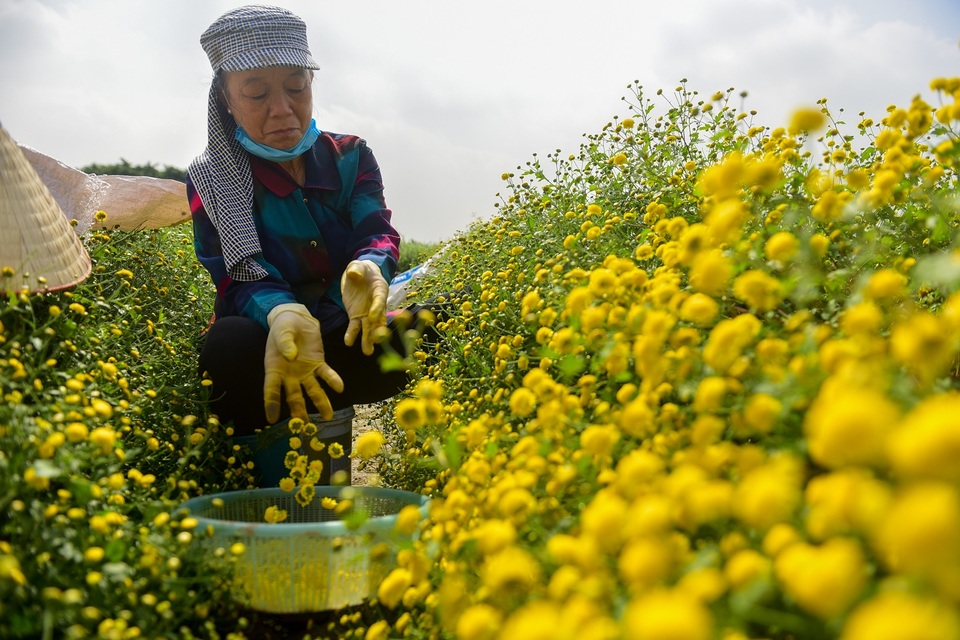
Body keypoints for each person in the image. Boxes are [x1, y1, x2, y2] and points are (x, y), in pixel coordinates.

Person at [187, 5, 434, 458]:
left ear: (311, 84)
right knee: (228, 345)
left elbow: (375, 229)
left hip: (345, 334)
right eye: (256, 93)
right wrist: (282, 313)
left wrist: (369, 268)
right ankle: (258, 475)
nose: (282, 109)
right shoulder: (212, 178)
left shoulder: (351, 156)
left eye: (296, 87)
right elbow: (237, 274)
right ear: (225, 98)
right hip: (266, 351)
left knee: (442, 323)